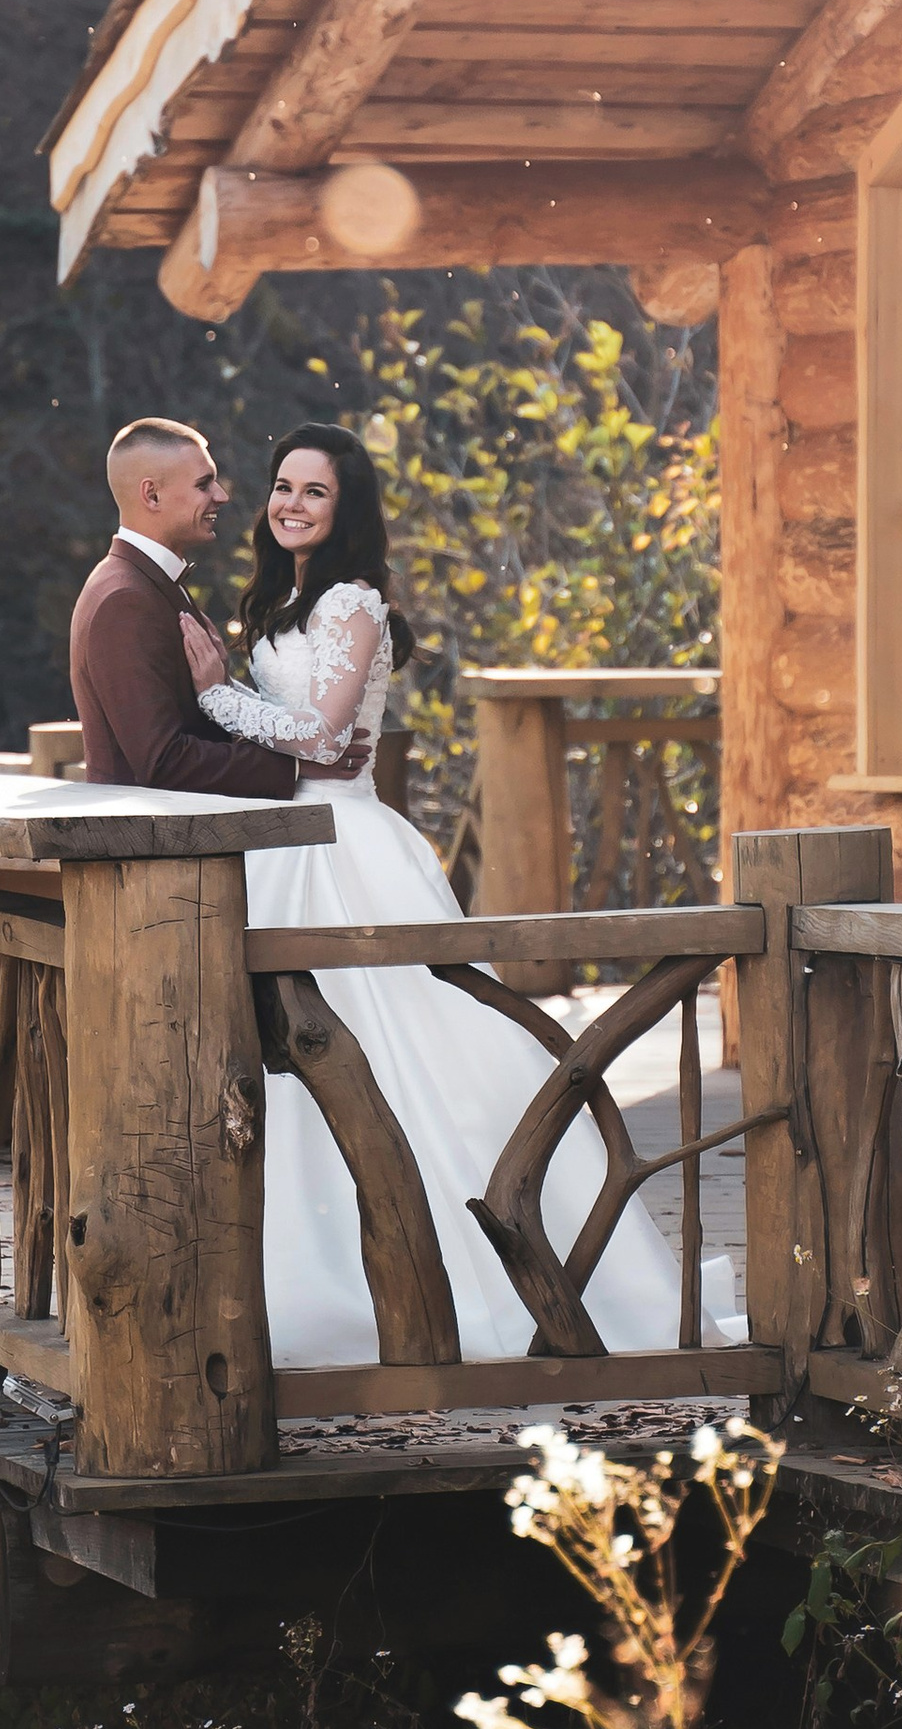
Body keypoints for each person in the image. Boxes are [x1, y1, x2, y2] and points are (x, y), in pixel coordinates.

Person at [199, 421, 720, 1371]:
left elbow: (325, 741)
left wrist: (214, 695)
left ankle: (465, 1279)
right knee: (290, 1065)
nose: (291, 505)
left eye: (314, 492)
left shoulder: (353, 602)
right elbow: (300, 731)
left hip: (343, 848)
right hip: (284, 843)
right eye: (282, 486)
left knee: (398, 1054)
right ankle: (303, 1281)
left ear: (347, 508)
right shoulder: (284, 599)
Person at [67, 416, 371, 800]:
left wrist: (225, 694)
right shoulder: (125, 599)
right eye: (203, 484)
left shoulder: (150, 583)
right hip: (145, 832)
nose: (221, 496)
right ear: (152, 495)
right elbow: (161, 762)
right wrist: (297, 767)